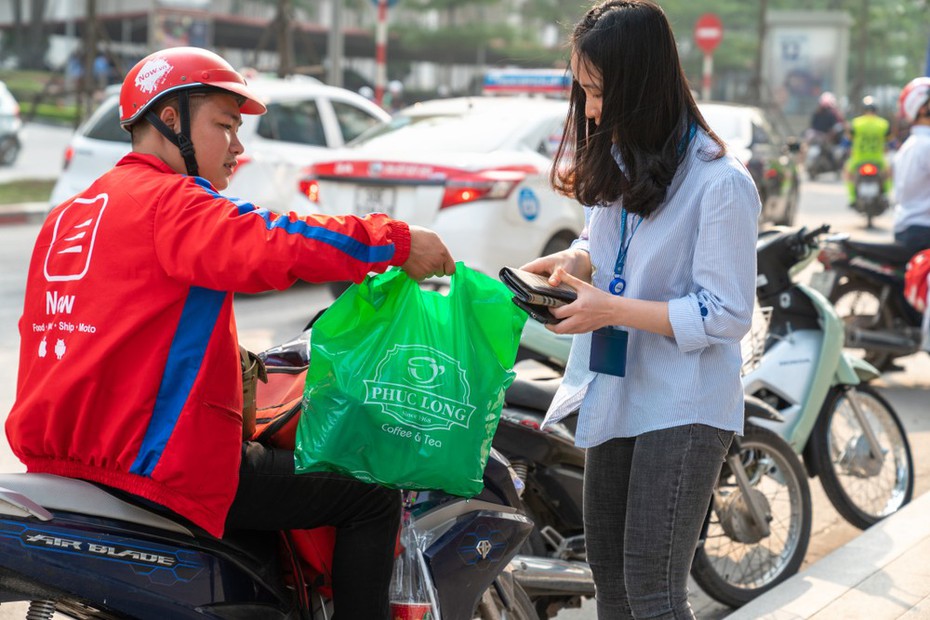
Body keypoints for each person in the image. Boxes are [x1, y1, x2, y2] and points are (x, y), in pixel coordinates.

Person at [5, 47, 455, 619]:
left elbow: (117, 330)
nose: (238, 147)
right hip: (152, 465)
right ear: (171, 119)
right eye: (225, 126)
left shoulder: (69, 213)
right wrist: (394, 241)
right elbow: (274, 241)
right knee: (368, 494)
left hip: (62, 464)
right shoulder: (172, 202)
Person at [520, 2, 760, 618]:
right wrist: (576, 265)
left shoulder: (720, 182)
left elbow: (726, 314)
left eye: (597, 91)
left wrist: (612, 310)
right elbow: (604, 242)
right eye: (583, 89)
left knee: (653, 594)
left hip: (683, 405)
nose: (589, 106)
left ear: (639, 85)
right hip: (617, 388)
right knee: (612, 583)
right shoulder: (624, 156)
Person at [892, 77, 930, 257]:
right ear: (923, 108)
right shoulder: (926, 145)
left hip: (906, 228)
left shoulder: (910, 145)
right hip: (923, 232)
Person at [845, 95, 891, 206]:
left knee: (848, 173)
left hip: (858, 159)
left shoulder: (856, 123)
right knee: (888, 174)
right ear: (876, 110)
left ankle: (852, 197)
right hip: (878, 160)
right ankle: (886, 194)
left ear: (864, 110)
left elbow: (849, 137)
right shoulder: (883, 124)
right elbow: (889, 138)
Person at [807, 91, 845, 169]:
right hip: (819, 139)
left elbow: (837, 127)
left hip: (828, 140)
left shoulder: (832, 114)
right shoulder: (818, 114)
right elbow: (812, 127)